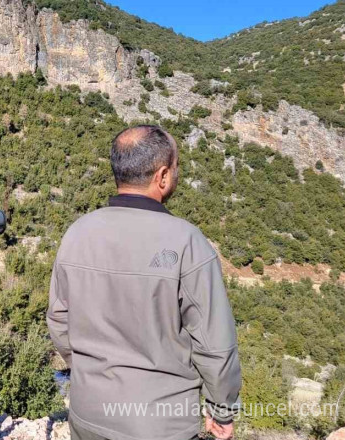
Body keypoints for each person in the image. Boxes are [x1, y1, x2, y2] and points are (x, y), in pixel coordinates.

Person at [47, 125, 241, 440]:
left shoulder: (77, 233)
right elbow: (215, 343)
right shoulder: (187, 241)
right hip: (159, 425)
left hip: (88, 415)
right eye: (176, 167)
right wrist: (222, 409)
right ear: (162, 176)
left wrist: (87, 371)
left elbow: (59, 321)